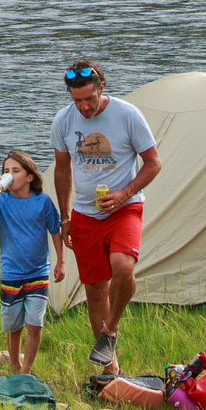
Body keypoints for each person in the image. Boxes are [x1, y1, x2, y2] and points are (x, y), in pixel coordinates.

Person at [50, 59, 160, 373]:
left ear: (102, 88)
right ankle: (110, 369)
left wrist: (125, 193)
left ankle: (109, 330)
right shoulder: (63, 121)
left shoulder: (127, 115)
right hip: (84, 214)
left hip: (125, 208)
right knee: (95, 288)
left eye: (89, 99)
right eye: (77, 101)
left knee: (123, 266)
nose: (84, 107)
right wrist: (64, 217)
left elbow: (154, 163)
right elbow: (61, 169)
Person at [0, 150, 62, 374]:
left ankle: (26, 370)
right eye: (6, 171)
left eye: (15, 171)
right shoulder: (1, 202)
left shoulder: (42, 202)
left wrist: (60, 261)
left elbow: (55, 231)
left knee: (35, 323)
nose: (10, 175)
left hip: (38, 273)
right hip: (11, 274)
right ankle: (14, 363)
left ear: (30, 177)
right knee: (14, 325)